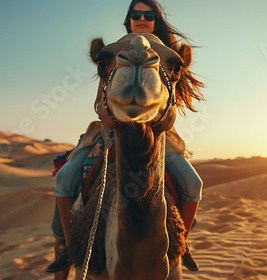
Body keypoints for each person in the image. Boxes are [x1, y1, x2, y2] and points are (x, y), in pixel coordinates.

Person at [47, 0, 205, 273]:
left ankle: (181, 245)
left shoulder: (163, 57)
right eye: (136, 14)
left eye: (148, 14)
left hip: (157, 136)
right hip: (111, 132)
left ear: (156, 19)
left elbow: (169, 106)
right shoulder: (119, 53)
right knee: (65, 177)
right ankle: (70, 248)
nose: (141, 18)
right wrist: (109, 122)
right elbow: (99, 105)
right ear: (129, 19)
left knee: (193, 184)